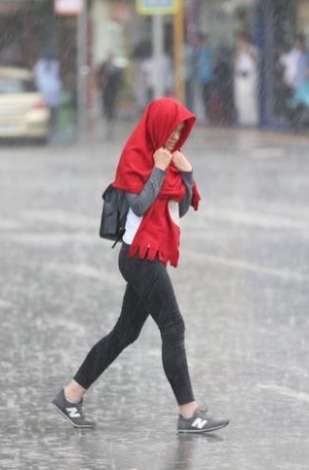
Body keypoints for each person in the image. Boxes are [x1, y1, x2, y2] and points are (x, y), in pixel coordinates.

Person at [52, 98, 229, 435]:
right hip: (140, 257)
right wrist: (159, 169)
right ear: (158, 126)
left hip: (151, 255)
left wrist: (187, 176)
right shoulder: (137, 157)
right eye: (172, 129)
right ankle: (188, 412)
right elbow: (139, 205)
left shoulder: (170, 161)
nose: (176, 136)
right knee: (173, 327)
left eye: (181, 130)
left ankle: (71, 394)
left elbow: (180, 210)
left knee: (125, 333)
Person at [280, 36, 309, 129]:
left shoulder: (307, 56)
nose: (298, 45)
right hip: (292, 84)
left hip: (303, 84)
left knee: (303, 106)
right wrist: (286, 80)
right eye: (296, 43)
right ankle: (294, 124)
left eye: (300, 43)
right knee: (293, 105)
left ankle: (303, 124)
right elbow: (286, 68)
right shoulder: (290, 56)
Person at [233, 34, 259, 127]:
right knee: (240, 99)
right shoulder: (239, 51)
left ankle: (252, 120)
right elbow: (235, 60)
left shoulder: (252, 49)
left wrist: (247, 49)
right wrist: (239, 52)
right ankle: (243, 120)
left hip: (249, 77)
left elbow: (254, 58)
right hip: (240, 77)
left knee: (250, 99)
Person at [33, 51, 63, 132]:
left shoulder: (40, 65)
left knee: (48, 109)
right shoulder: (55, 65)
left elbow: (35, 76)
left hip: (46, 89)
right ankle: (51, 125)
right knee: (50, 109)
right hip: (51, 89)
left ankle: (50, 125)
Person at [97, 53, 124, 139]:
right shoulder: (103, 68)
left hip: (113, 92)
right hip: (106, 92)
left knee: (112, 110)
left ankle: (111, 127)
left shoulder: (116, 70)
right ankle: (107, 125)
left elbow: (119, 81)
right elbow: (98, 78)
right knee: (106, 109)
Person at [195, 33, 215, 120]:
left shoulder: (206, 52)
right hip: (201, 78)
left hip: (207, 78)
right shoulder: (198, 52)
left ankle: (207, 114)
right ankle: (203, 114)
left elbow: (212, 63)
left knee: (206, 97)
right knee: (202, 97)